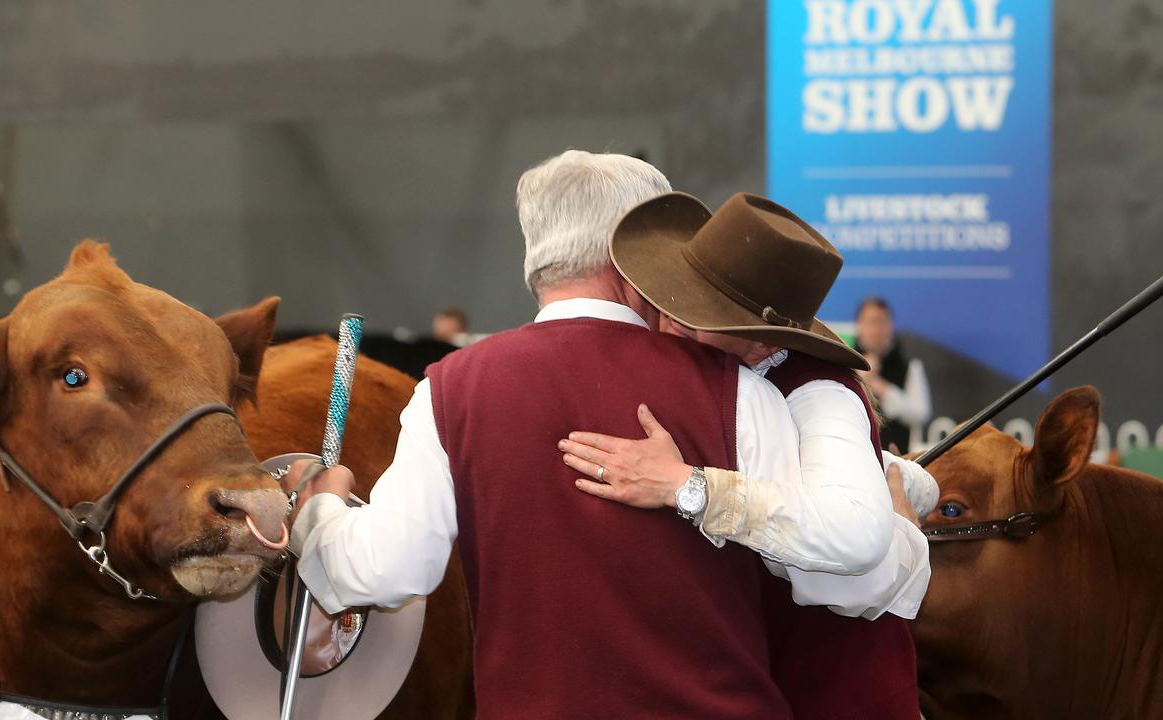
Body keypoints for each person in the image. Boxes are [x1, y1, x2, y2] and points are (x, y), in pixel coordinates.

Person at [285, 152, 904, 718]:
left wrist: (317, 511)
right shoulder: (746, 393)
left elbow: (385, 569)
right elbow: (842, 576)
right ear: (632, 260)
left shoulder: (448, 392)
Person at [558, 191, 939, 719]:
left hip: (836, 697)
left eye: (694, 320)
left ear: (762, 343)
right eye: (671, 307)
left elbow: (854, 536)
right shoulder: (726, 373)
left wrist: (687, 486)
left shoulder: (818, 392)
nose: (669, 329)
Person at [855, 296, 932, 453]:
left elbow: (921, 413)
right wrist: (858, 380)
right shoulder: (845, 362)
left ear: (890, 325)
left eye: (882, 322)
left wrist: (884, 389)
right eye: (871, 322)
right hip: (856, 454)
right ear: (859, 325)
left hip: (898, 457)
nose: (877, 329)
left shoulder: (909, 366)